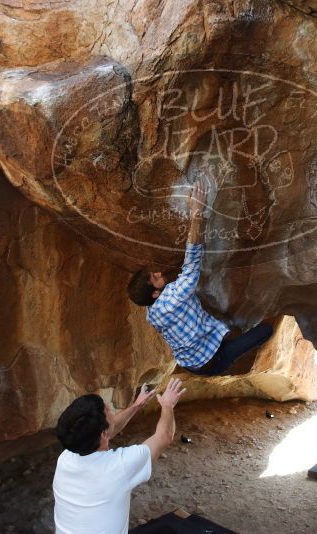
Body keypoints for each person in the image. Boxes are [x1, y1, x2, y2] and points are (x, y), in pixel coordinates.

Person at [127, 181, 274, 376]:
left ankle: (221, 337)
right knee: (265, 330)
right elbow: (193, 259)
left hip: (190, 362)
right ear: (155, 293)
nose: (159, 273)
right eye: (154, 278)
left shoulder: (151, 312)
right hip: (211, 363)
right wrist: (197, 212)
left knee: (231, 331)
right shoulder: (172, 298)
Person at [53, 378, 186, 534]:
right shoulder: (119, 467)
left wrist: (137, 405)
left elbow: (108, 431)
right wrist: (167, 405)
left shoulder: (66, 457)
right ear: (103, 433)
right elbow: (164, 436)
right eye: (107, 410)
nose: (109, 407)